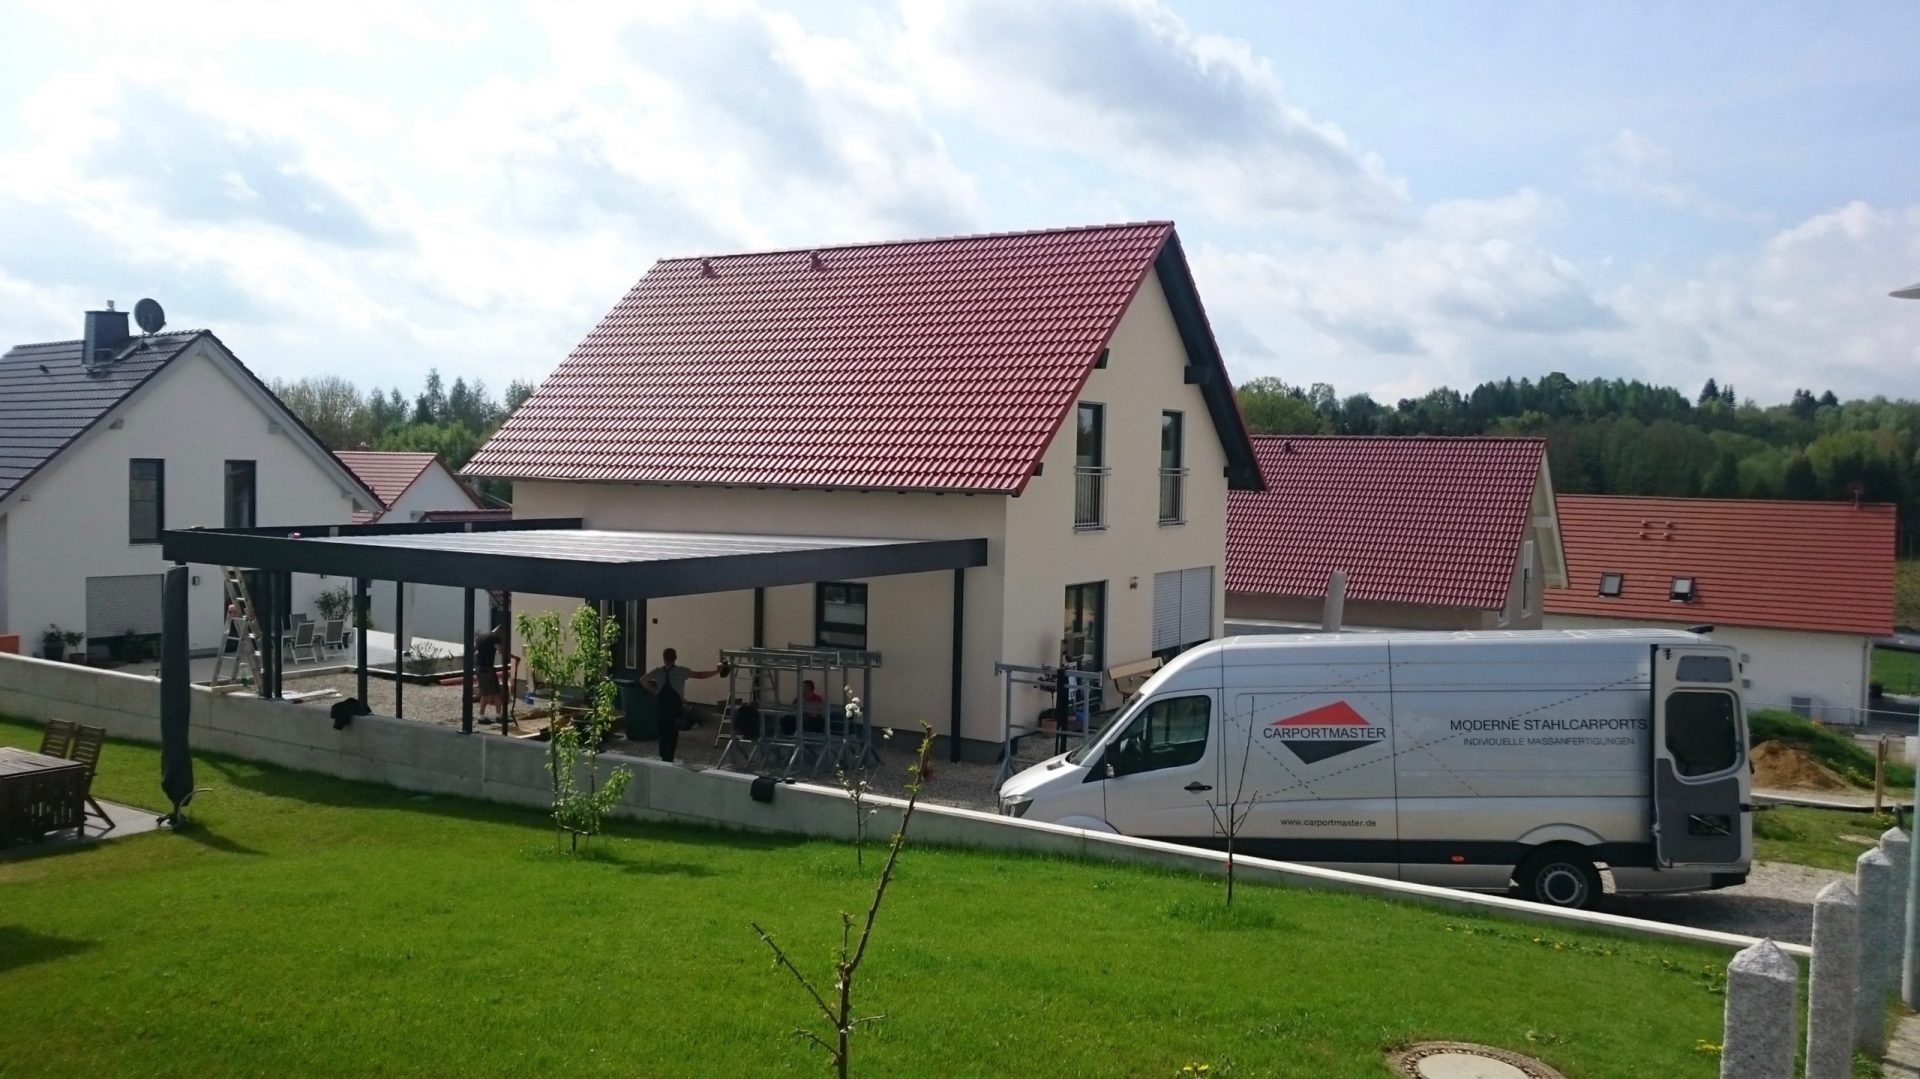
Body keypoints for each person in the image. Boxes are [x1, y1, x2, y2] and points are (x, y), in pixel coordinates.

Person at [639, 648, 725, 763]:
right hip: (675, 707)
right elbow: (700, 675)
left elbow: (643, 680)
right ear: (675, 658)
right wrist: (716, 672)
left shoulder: (657, 672)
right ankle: (669, 757)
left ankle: (664, 756)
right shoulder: (681, 671)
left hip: (662, 706)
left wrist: (655, 691)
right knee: (673, 732)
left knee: (663, 731)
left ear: (664, 658)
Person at [472, 626, 505, 721]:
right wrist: (514, 657)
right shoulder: (495, 638)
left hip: (479, 668)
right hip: (487, 669)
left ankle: (481, 716)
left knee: (485, 693)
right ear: (500, 632)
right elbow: (501, 652)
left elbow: (474, 650)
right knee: (496, 693)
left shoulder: (482, 636)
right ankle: (499, 716)